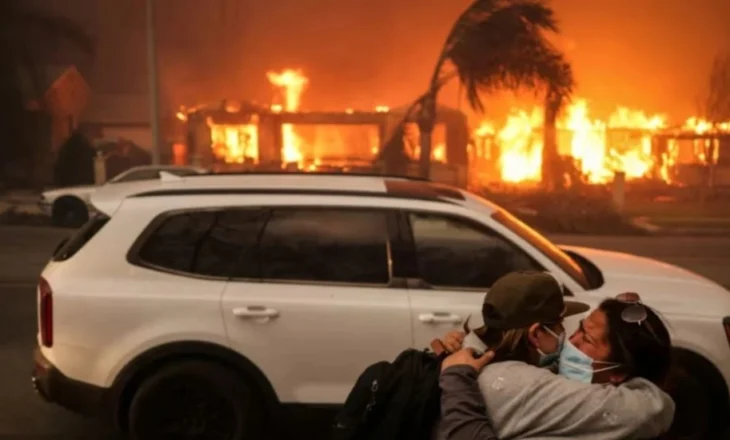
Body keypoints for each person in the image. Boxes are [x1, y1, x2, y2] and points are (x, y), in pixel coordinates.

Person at [434, 271, 674, 440]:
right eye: (567, 326)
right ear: (536, 333)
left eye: (586, 337)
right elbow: (652, 407)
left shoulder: (471, 360)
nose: (569, 339)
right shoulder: (530, 387)